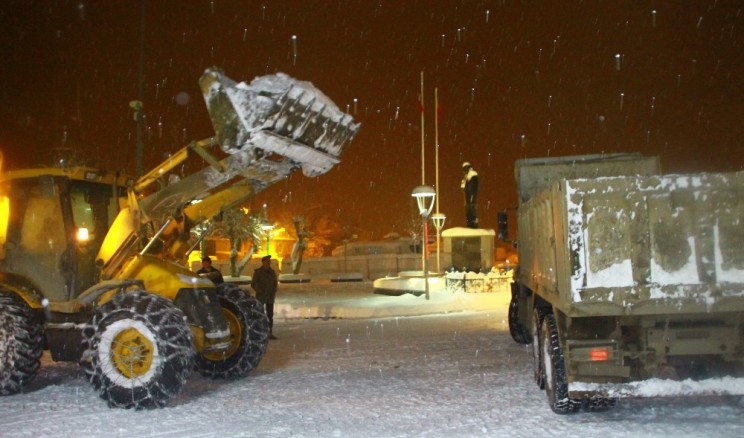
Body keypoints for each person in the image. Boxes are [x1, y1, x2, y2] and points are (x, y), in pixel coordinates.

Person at [251, 255, 279, 339]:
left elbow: (275, 283)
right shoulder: (258, 272)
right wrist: (259, 290)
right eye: (267, 261)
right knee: (259, 315)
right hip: (261, 297)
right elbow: (253, 284)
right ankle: (260, 332)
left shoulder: (272, 272)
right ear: (263, 262)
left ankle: (269, 332)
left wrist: (273, 291)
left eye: (269, 261)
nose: (268, 263)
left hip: (270, 297)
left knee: (270, 315)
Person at [461, 161, 479, 228]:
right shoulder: (467, 176)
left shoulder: (472, 174)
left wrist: (472, 196)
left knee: (472, 212)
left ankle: (472, 223)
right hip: (468, 198)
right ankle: (471, 223)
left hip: (471, 198)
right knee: (469, 212)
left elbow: (474, 187)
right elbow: (463, 188)